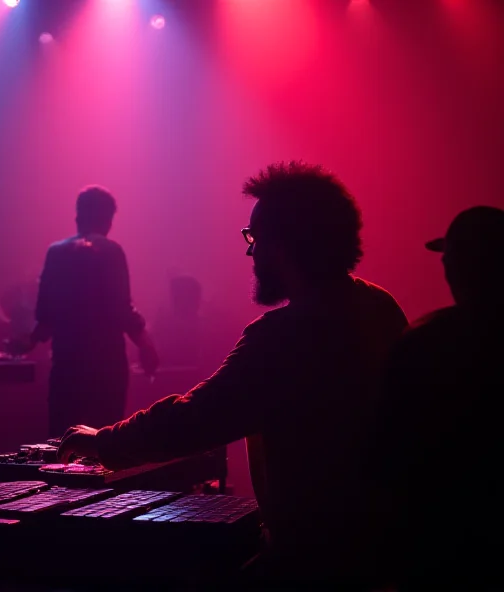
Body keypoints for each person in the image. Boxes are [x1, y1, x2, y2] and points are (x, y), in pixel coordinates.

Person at [58, 163, 408, 581]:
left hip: (314, 561)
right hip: (386, 550)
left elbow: (195, 418)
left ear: (284, 245)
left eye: (255, 239)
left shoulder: (282, 337)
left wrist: (103, 441)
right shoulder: (380, 307)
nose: (250, 251)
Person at [376, 206, 504, 586]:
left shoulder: (426, 341)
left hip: (441, 545)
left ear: (458, 266)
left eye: (450, 259)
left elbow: (387, 453)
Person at [14, 186, 159, 438]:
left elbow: (45, 318)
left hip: (66, 365)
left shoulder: (55, 253)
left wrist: (27, 342)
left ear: (78, 216)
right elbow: (123, 310)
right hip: (106, 366)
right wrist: (146, 346)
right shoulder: (112, 251)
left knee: (62, 443)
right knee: (103, 443)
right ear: (108, 219)